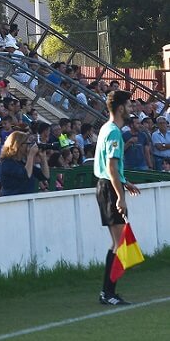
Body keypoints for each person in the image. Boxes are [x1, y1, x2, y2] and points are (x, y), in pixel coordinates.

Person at [95, 90, 141, 306]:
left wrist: (124, 181)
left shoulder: (107, 129)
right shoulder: (114, 133)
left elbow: (111, 168)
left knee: (118, 242)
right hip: (109, 188)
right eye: (129, 105)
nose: (131, 109)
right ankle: (107, 292)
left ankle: (108, 291)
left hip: (109, 186)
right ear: (121, 107)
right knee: (119, 243)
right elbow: (111, 167)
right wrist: (120, 197)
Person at [0, 132, 47, 196]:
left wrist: (43, 158)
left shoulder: (22, 163)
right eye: (27, 144)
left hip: (26, 200)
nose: (28, 146)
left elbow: (45, 176)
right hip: (13, 201)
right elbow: (26, 175)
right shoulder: (7, 163)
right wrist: (31, 155)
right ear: (18, 145)